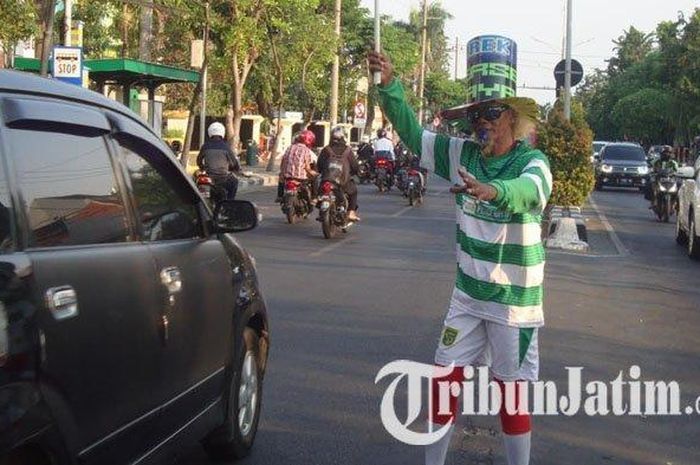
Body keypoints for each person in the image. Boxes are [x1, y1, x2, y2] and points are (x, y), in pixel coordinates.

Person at [369, 49, 552, 465]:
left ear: (511, 117)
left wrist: (495, 192)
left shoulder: (532, 161)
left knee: (512, 395)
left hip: (513, 306)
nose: (482, 124)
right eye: (475, 116)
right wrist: (389, 86)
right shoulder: (462, 154)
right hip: (468, 297)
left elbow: (531, 191)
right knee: (443, 385)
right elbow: (414, 136)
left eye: (490, 113)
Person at [317, 126, 361, 222]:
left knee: (319, 193)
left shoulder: (326, 149)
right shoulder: (347, 150)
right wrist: (356, 173)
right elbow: (355, 166)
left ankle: (321, 211)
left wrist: (322, 172)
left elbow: (319, 165)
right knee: (353, 192)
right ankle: (351, 212)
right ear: (343, 137)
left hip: (327, 180)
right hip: (343, 181)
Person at [196, 122, 241, 200]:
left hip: (209, 178)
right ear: (222, 133)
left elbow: (199, 160)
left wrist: (202, 167)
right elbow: (234, 163)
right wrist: (236, 168)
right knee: (235, 181)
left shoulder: (205, 146)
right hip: (223, 178)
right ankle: (229, 203)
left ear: (210, 132)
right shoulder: (225, 147)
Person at [276, 130, 318, 202]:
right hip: (300, 177)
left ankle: (279, 196)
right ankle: (314, 198)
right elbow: (307, 167)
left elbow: (283, 162)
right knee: (315, 177)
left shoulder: (289, 148)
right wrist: (313, 173)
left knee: (281, 177)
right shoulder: (306, 150)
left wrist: (282, 173)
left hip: (287, 176)